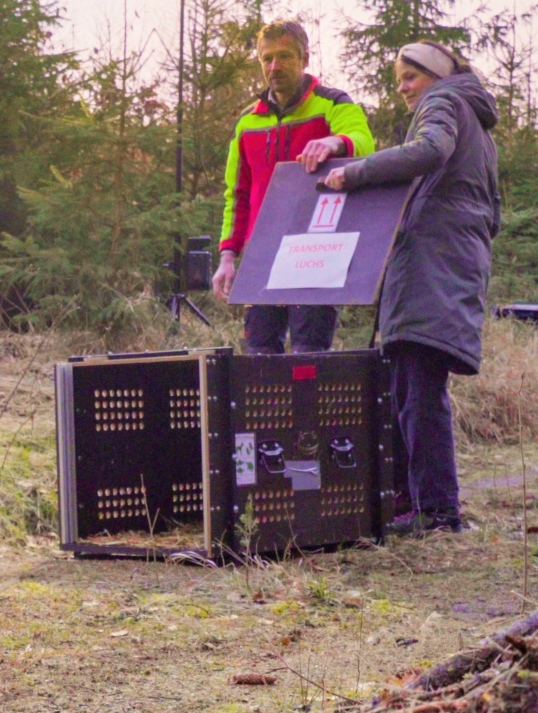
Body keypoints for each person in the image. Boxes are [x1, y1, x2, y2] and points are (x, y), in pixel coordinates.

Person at [322, 40, 500, 536]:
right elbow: (492, 209)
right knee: (410, 382)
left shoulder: (443, 103)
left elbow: (428, 150)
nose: (402, 89)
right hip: (451, 262)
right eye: (398, 79)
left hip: (432, 264)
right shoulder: (478, 124)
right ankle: (412, 503)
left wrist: (354, 173)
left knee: (418, 386)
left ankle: (437, 511)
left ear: (435, 75)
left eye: (410, 77)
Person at [213, 20, 375, 354]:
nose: (274, 67)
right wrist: (228, 256)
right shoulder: (247, 122)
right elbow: (237, 196)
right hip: (262, 252)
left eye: (284, 56)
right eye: (266, 58)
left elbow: (364, 142)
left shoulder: (333, 103)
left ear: (304, 58)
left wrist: (335, 142)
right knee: (259, 358)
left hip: (315, 249)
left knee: (309, 356)